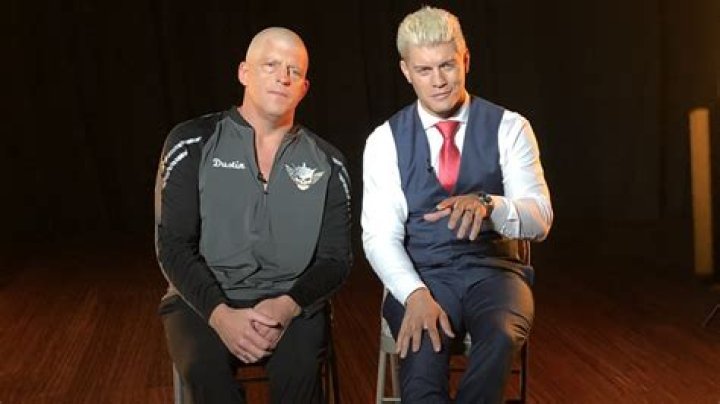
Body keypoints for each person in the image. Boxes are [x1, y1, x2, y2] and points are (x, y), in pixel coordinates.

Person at [362, 6, 553, 404]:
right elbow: (379, 236)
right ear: (406, 71)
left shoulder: (510, 127)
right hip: (423, 274)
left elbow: (540, 219)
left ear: (465, 60)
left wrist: (490, 206)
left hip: (495, 274)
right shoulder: (384, 140)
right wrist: (414, 294)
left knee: (500, 336)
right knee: (421, 363)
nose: (438, 81)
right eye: (424, 70)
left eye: (447, 66)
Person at [154, 27, 351, 404]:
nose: (283, 77)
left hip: (291, 301)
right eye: (271, 65)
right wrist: (220, 315)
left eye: (294, 70)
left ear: (304, 88)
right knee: (204, 371)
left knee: (300, 373)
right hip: (203, 300)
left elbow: (336, 260)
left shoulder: (329, 162)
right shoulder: (191, 141)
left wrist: (286, 306)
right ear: (244, 72)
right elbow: (173, 246)